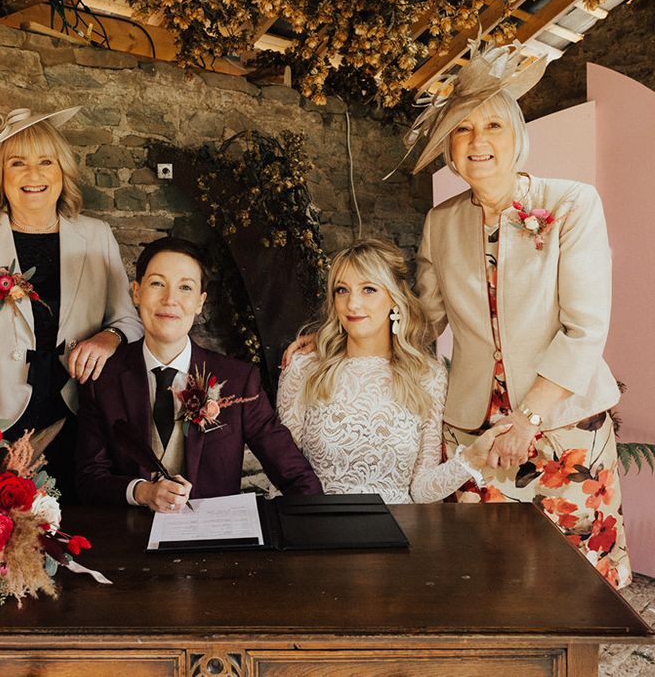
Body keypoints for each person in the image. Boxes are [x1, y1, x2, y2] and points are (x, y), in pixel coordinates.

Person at [286, 40, 630, 587]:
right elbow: (423, 318)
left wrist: (529, 417)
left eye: (492, 126)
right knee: (485, 568)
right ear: (449, 149)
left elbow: (584, 327)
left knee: (576, 573)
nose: (478, 141)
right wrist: (337, 331)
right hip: (476, 424)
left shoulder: (572, 203)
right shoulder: (440, 221)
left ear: (517, 135)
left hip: (564, 418)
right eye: (463, 130)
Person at [0, 107, 142, 501]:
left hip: (79, 418)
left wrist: (109, 337)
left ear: (62, 171)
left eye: (45, 162)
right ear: (0, 175)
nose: (33, 175)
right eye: (17, 163)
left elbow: (129, 320)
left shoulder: (96, 235)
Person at [74, 237, 323, 510]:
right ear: (136, 292)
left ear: (200, 302)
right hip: (130, 542)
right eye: (157, 283)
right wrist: (142, 492)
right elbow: (88, 479)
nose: (170, 300)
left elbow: (295, 476)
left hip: (213, 544)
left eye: (185, 287)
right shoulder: (103, 378)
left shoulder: (239, 380)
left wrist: (314, 530)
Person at [277, 239, 509, 504]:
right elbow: (282, 475)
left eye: (368, 289)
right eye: (342, 290)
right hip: (321, 532)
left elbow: (421, 490)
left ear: (393, 298)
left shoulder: (427, 375)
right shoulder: (304, 367)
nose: (352, 304)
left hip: (400, 533)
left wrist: (473, 458)